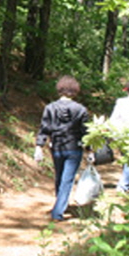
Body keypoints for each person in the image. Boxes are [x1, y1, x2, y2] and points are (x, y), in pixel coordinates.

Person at [34, 75, 89, 221]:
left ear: (60, 90)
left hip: (56, 147)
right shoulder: (81, 110)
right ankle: (58, 211)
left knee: (59, 177)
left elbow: (44, 128)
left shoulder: (50, 108)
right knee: (67, 179)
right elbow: (86, 132)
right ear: (75, 91)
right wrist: (91, 150)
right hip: (74, 148)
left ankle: (60, 204)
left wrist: (39, 146)